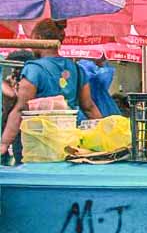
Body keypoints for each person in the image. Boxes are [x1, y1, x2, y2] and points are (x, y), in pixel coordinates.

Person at [0, 19, 101, 158]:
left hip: (38, 144)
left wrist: (4, 143)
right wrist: (104, 133)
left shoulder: (34, 69)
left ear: (38, 39)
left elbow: (20, 109)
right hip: (68, 143)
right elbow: (89, 107)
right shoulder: (77, 69)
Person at [1, 50, 36, 165]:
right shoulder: (12, 81)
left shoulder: (27, 81)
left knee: (20, 154)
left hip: (21, 125)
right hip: (12, 124)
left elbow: (13, 98)